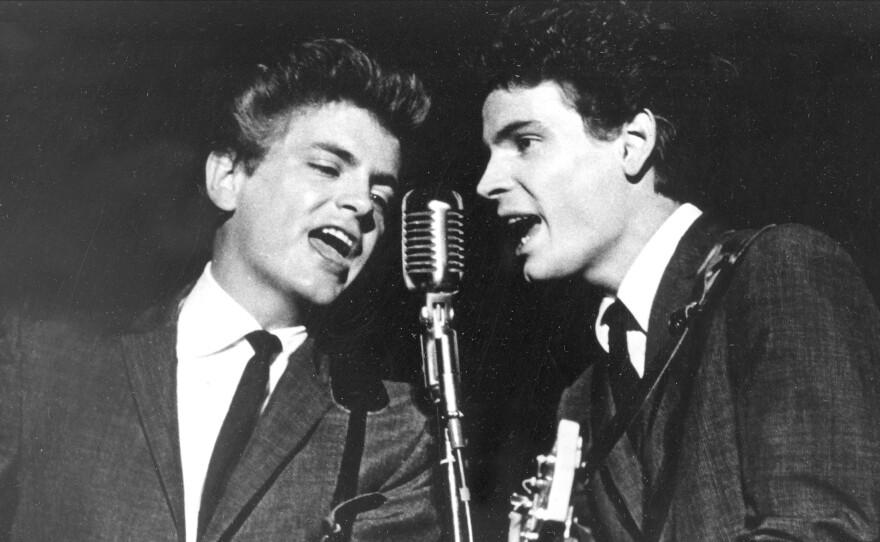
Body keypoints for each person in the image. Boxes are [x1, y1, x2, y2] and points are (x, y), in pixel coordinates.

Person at [0, 38, 441, 541]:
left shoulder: (394, 430)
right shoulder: (41, 360)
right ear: (228, 177)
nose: (361, 203)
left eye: (381, 196)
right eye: (326, 167)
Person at [476, 3, 880, 541]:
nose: (486, 182)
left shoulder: (779, 271)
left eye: (525, 142)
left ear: (633, 144)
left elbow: (825, 530)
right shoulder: (582, 397)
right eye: (490, 152)